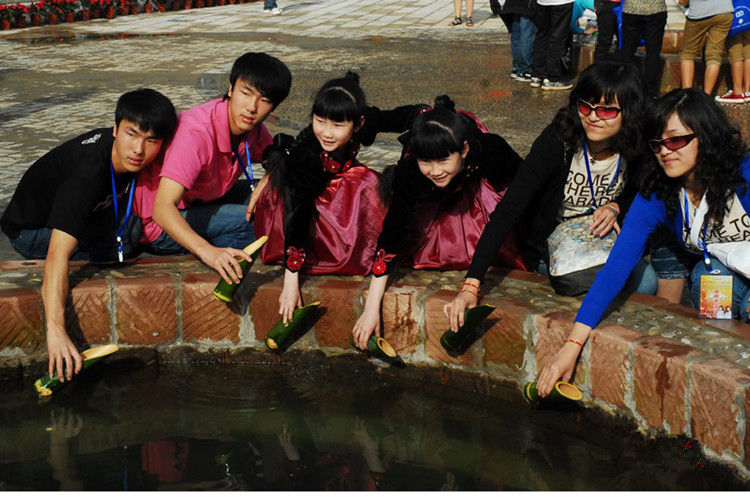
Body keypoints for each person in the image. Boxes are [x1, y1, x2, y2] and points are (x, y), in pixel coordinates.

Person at [536, 88, 750, 396]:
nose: (665, 151)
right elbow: (615, 269)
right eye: (657, 143)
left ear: (706, 136)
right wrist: (571, 346)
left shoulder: (744, 174)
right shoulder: (658, 192)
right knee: (710, 291)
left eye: (676, 140)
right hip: (719, 271)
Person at [444, 61, 656, 331]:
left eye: (605, 110)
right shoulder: (559, 141)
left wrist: (616, 206)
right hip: (555, 250)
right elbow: (510, 208)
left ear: (631, 113)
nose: (592, 117)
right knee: (574, 286)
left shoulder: (637, 148)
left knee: (647, 281)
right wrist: (471, 284)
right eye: (585, 106)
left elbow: (642, 193)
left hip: (605, 244)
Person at [0, 89, 178, 382]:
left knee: (132, 232)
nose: (138, 149)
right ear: (115, 129)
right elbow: (58, 255)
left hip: (90, 215)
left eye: (151, 141)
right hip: (32, 231)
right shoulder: (86, 178)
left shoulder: (130, 153)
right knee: (131, 238)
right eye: (131, 134)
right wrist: (56, 330)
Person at [251, 72, 427, 325]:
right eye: (320, 121)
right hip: (305, 208)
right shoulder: (306, 157)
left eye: (338, 125)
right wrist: (291, 281)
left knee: (368, 183)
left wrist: (429, 124)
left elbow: (409, 114)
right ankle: (352, 252)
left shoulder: (365, 122)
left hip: (339, 193)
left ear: (358, 123)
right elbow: (296, 213)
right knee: (365, 182)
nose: (327, 133)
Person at [351, 97, 525, 346]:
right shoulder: (411, 172)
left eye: (443, 161)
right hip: (425, 173)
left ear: (464, 150)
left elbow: (523, 184)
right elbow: (393, 233)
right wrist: (371, 308)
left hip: (472, 181)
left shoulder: (487, 149)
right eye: (427, 162)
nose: (435, 171)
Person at [133, 52, 292, 286]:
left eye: (264, 100)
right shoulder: (195, 134)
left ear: (273, 107)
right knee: (267, 220)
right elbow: (162, 209)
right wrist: (207, 252)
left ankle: (225, 241)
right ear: (230, 89)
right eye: (245, 93)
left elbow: (280, 155)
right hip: (161, 225)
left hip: (201, 202)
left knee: (280, 197)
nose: (251, 107)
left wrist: (270, 176)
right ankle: (212, 247)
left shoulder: (252, 129)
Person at [678, 0, 734, 96]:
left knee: (687, 53)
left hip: (699, 12)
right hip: (724, 10)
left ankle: (687, 96)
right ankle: (706, 96)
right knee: (714, 54)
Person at [617, 0, 667, 99]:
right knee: (653, 51)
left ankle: (625, 88)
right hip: (656, 8)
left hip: (631, 8)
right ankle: (650, 93)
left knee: (627, 49)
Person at [530, 0, 575, 90]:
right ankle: (552, 78)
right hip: (561, 3)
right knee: (557, 38)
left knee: (542, 36)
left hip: (543, 2)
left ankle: (537, 75)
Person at [500, 0, 538, 82]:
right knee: (526, 32)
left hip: (514, 4)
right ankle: (525, 69)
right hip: (528, 5)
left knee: (517, 32)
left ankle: (517, 67)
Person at [715, 29, 750, 104]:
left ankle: (738, 93)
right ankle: (747, 92)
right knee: (748, 48)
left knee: (735, 48)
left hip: (735, 19)